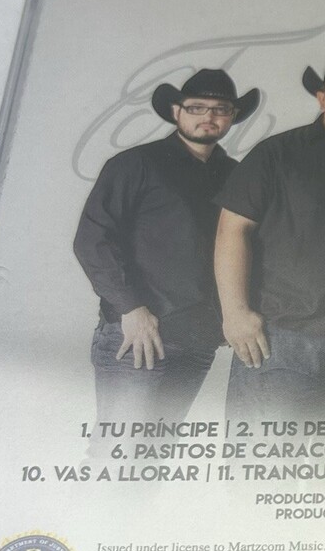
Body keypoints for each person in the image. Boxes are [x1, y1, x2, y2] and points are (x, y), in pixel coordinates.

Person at [214, 53, 325, 421]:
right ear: (321, 97)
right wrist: (235, 313)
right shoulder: (277, 153)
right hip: (283, 336)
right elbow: (232, 229)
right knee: (266, 456)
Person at [74, 68, 258, 427]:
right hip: (140, 333)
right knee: (120, 451)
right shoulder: (136, 164)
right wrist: (131, 308)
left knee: (158, 452)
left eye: (220, 109)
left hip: (199, 339)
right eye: (197, 107)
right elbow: (92, 239)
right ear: (177, 111)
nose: (208, 116)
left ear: (233, 116)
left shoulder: (236, 175)